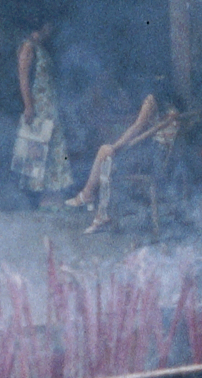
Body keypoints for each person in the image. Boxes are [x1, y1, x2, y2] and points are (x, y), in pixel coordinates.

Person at [65, 87, 183, 233]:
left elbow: (137, 128)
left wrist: (116, 147)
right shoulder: (173, 106)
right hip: (162, 158)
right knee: (106, 156)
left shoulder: (152, 100)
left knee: (105, 153)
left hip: (153, 160)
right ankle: (92, 200)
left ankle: (92, 201)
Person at [12, 22, 68, 202]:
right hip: (39, 108)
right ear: (44, 26)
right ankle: (43, 197)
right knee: (39, 152)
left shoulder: (40, 47)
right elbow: (23, 77)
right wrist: (28, 106)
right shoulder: (28, 47)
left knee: (53, 152)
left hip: (49, 108)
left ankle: (53, 195)